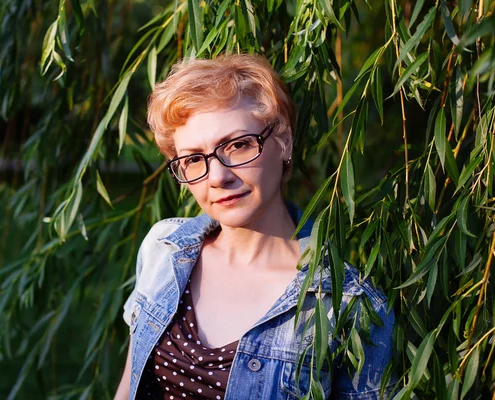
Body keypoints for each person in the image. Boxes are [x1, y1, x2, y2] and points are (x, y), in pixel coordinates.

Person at [114, 54, 394, 400]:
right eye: (192, 159)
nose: (218, 177)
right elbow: (129, 385)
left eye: (238, 145)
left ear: (284, 142)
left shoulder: (349, 306)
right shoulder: (165, 247)